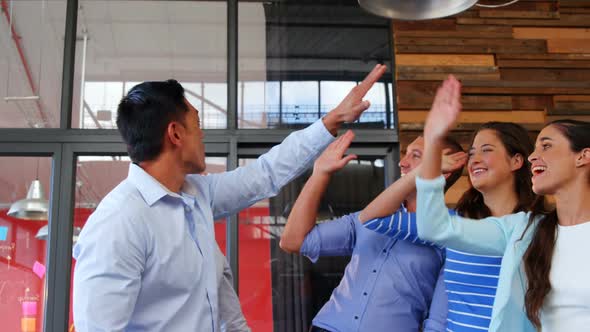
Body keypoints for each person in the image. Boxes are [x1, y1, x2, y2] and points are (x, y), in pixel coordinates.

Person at [72, 64, 387, 332]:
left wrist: (330, 121)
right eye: (197, 123)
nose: (203, 134)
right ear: (175, 134)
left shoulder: (196, 196)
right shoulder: (119, 223)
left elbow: (265, 174)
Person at [416, 75, 590, 331]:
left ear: (583, 156)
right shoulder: (525, 230)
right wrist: (432, 140)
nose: (533, 156)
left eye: (546, 146)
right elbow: (435, 228)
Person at [279, 131, 466, 332]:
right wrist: (320, 174)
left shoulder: (455, 232)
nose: (402, 162)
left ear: (445, 170)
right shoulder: (368, 217)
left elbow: (438, 319)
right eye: (406, 153)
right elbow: (293, 241)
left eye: (416, 155)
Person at [360, 121, 538, 331]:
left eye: (486, 150)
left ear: (516, 161)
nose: (475, 160)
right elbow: (372, 217)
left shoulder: (539, 228)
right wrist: (426, 170)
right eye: (471, 154)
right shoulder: (452, 225)